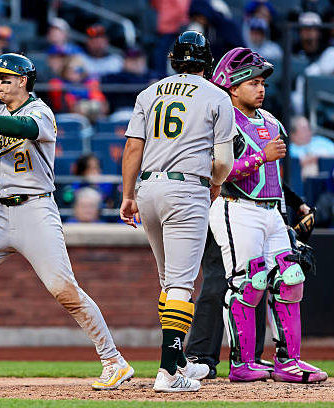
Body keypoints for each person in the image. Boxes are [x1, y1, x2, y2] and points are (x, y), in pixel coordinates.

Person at [0, 53, 134, 392]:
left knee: (63, 288)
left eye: (5, 77)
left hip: (36, 211)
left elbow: (24, 128)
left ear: (23, 81)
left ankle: (113, 360)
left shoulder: (39, 111)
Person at [120, 31, 234, 392]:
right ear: (206, 62)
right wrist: (215, 182)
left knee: (170, 283)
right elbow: (225, 160)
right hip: (187, 188)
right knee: (183, 284)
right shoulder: (217, 95)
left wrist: (128, 195)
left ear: (174, 59)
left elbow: (132, 150)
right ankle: (169, 371)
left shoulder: (148, 93)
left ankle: (180, 359)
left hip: (149, 188)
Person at [208, 47, 328, 383]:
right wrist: (260, 156)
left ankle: (288, 361)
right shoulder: (223, 120)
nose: (260, 89)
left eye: (262, 82)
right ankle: (242, 362)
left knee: (290, 280)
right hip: (236, 207)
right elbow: (216, 172)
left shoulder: (271, 120)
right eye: (252, 83)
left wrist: (292, 207)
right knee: (247, 283)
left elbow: (273, 176)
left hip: (271, 210)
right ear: (232, 87)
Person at [186, 182, 313, 379]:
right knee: (220, 282)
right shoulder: (223, 150)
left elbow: (266, 174)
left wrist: (295, 204)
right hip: (226, 207)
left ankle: (251, 356)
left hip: (258, 211)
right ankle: (199, 355)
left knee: (257, 280)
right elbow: (225, 168)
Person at [289, 115, 334, 179]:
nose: (308, 131)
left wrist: (317, 157)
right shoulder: (289, 148)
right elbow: (293, 165)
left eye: (309, 128)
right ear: (293, 135)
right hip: (304, 181)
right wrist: (312, 159)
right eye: (304, 129)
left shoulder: (321, 141)